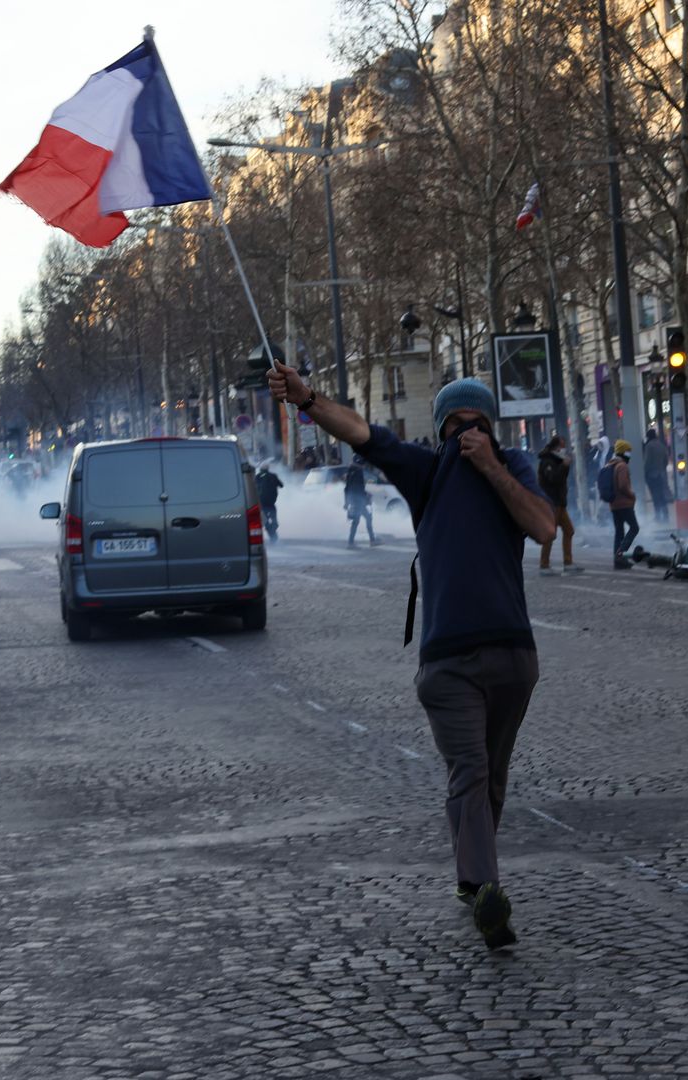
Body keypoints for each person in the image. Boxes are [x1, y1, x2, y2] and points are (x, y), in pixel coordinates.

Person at [268, 361, 554, 951]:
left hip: (512, 651)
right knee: (471, 772)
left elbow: (544, 528)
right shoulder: (427, 473)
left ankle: (470, 879)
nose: (467, 433)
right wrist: (308, 399)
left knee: (490, 777)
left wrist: (494, 468)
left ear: (493, 430)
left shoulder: (515, 467)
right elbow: (364, 434)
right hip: (447, 659)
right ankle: (489, 895)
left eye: (477, 424)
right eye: (458, 425)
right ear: (444, 429)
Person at [536, 435, 580, 576]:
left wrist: (564, 466)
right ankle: (544, 565)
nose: (563, 448)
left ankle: (568, 563)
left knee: (569, 531)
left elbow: (561, 479)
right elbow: (553, 479)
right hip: (552, 503)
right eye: (562, 445)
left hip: (560, 503)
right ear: (556, 447)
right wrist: (564, 466)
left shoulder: (556, 460)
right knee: (550, 534)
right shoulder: (547, 461)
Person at [601, 439, 639, 569]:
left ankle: (618, 561)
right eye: (628, 451)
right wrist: (632, 495)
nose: (630, 454)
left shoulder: (610, 464)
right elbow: (623, 485)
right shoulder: (622, 466)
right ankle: (620, 554)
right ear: (623, 452)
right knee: (634, 528)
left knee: (619, 531)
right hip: (624, 504)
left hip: (614, 504)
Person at [642, 428, 673, 523]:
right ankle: (666, 515)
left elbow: (647, 461)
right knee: (661, 495)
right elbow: (666, 460)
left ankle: (658, 515)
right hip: (661, 473)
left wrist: (644, 472)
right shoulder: (661, 445)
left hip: (652, 474)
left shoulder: (649, 446)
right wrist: (662, 469)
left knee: (655, 496)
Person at [344, 465, 377, 547]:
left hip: (353, 500)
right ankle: (352, 543)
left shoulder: (350, 473)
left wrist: (346, 502)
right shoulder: (358, 472)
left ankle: (371, 540)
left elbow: (347, 488)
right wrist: (366, 496)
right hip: (359, 500)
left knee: (359, 520)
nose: (363, 466)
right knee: (364, 519)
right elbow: (359, 488)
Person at [255, 465, 284, 543]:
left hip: (261, 504)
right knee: (274, 520)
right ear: (268, 469)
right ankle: (274, 534)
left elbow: (252, 488)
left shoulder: (257, 477)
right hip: (271, 503)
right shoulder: (273, 476)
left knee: (265, 521)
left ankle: (273, 535)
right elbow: (281, 485)